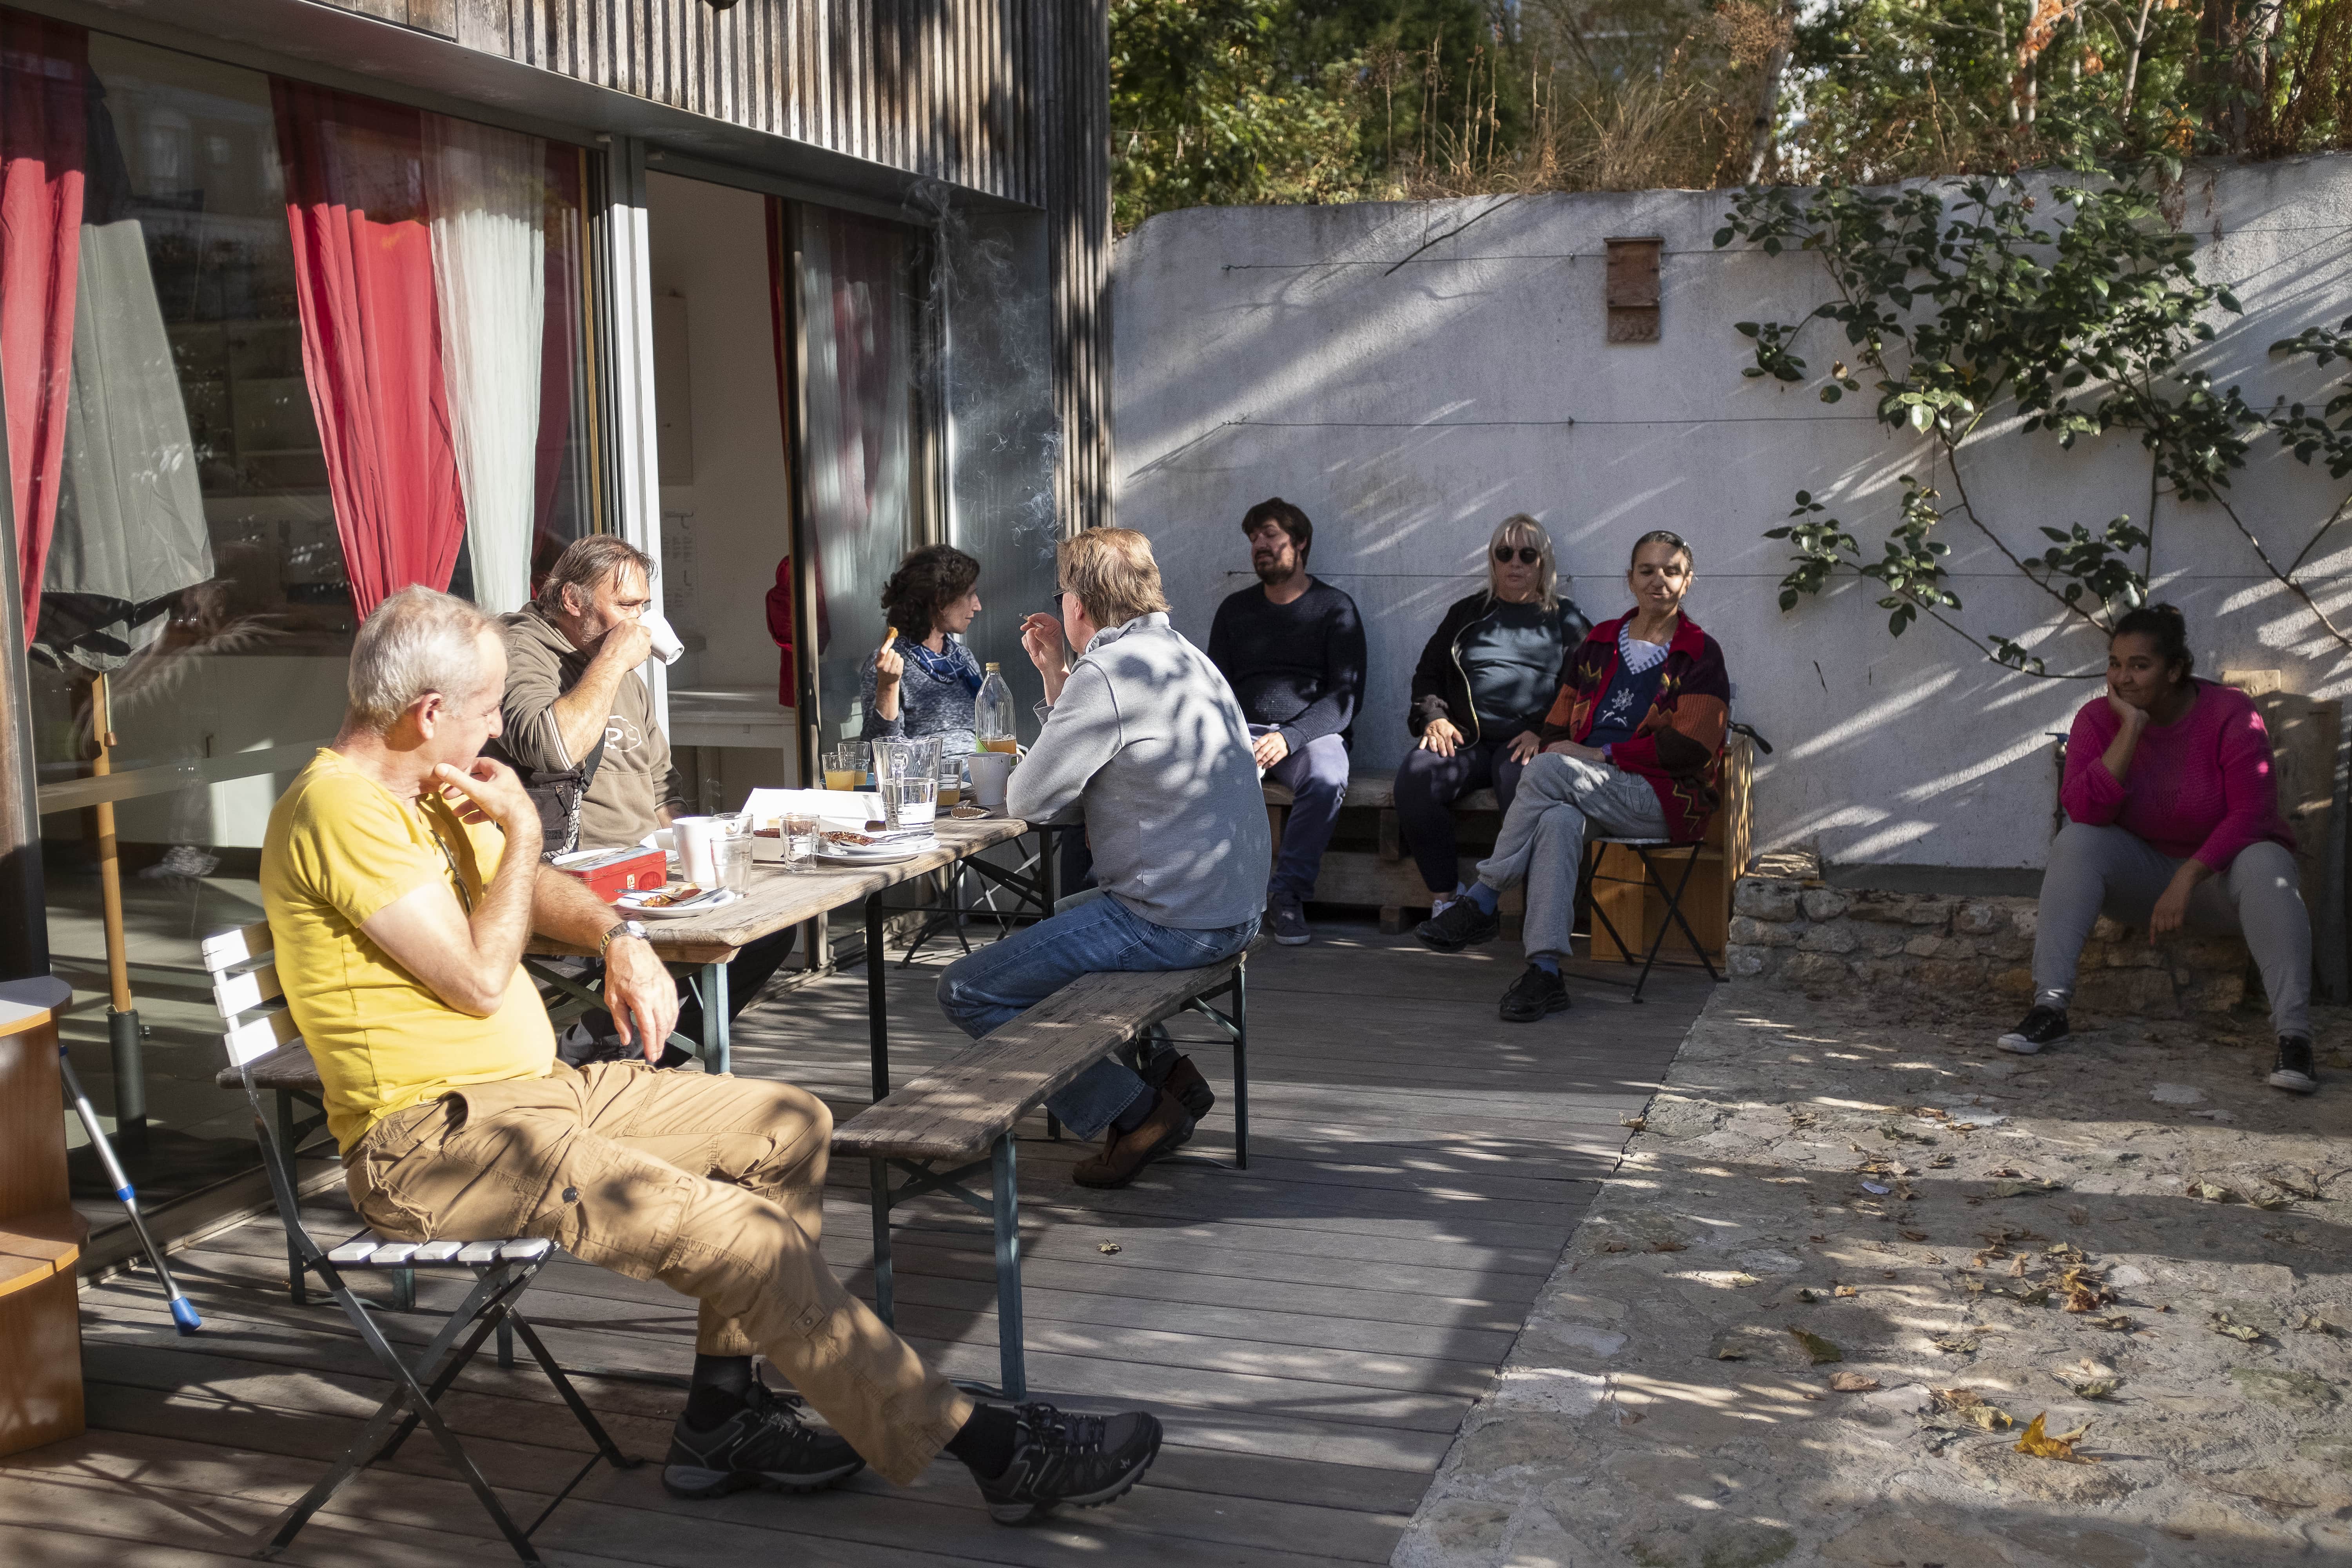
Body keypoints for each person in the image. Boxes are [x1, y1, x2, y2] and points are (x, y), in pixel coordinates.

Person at [263, 585, 1163, 1523]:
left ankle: (721, 1416)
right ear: (428, 714)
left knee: (788, 1125)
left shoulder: (431, 795)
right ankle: (987, 1445)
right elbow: (482, 979)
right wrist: (526, 829)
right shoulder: (339, 811)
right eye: (489, 709)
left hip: (539, 1098)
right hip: (438, 1144)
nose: (499, 729)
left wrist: (619, 938)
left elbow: (527, 896)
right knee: (748, 1239)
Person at [936, 529, 1270, 1189]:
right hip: (1233, 910)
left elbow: (1031, 797)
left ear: (1080, 605)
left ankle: (1137, 1112)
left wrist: (1069, 675)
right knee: (1063, 919)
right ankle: (1168, 1073)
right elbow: (1085, 774)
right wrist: (1058, 676)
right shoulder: (1184, 657)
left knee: (968, 989)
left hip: (1173, 919)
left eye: (1060, 593)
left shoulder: (1111, 672)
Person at [2001, 605, 2319, 1094]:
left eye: (2139, 665)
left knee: (2268, 861)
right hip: (2143, 878)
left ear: (2174, 670)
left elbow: (2252, 814)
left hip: (2222, 882)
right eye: (2114, 663)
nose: (2122, 678)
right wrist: (2131, 730)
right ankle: (2050, 1008)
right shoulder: (2097, 720)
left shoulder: (2231, 713)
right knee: (2078, 842)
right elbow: (2085, 813)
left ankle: (2295, 1038)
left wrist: (2188, 876)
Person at [497, 536, 789, 1064]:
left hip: (645, 876)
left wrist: (697, 860)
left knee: (768, 928)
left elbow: (660, 788)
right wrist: (610, 661)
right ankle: (591, 1065)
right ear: (572, 601)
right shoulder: (523, 649)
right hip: (569, 886)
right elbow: (551, 747)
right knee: (714, 944)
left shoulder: (620, 671)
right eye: (627, 606)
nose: (639, 623)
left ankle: (637, 1058)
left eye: (644, 608)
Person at [1416, 531, 1730, 1022]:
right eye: (1647, 570)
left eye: (1671, 571)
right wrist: (1556, 743)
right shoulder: (1600, 643)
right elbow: (1559, 724)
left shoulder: (1700, 654)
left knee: (1549, 768)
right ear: (1630, 579)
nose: (1658, 581)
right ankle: (1545, 972)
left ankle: (1483, 897)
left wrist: (1601, 753)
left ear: (1688, 582)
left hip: (1664, 799)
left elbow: (1692, 748)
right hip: (1589, 790)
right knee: (1558, 820)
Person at [1398, 515, 1590, 913]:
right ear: (1493, 561)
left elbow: (1587, 688)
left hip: (1527, 741)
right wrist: (1433, 716)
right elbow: (1429, 673)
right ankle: (1447, 900)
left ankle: (1535, 912)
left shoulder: (1566, 619)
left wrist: (1547, 733)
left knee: (1522, 784)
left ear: (1543, 562)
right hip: (1466, 737)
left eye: (1527, 554)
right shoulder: (1467, 614)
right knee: (1416, 778)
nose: (1515, 563)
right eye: (1505, 554)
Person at [1207, 497, 1366, 947]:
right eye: (1254, 538)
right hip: (1243, 733)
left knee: (1328, 773)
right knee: (1194, 773)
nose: (1260, 545)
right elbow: (1216, 689)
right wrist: (1233, 737)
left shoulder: (1336, 609)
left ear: (1301, 542)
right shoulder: (1235, 611)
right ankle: (1213, 898)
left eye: (1271, 535)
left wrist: (1291, 737)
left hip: (1310, 734)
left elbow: (1346, 698)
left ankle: (1287, 894)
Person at [861, 544, 986, 754]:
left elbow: (989, 733)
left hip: (982, 776)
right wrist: (888, 687)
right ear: (940, 600)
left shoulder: (964, 660)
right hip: (932, 782)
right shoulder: (889, 664)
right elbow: (881, 756)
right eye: (969, 595)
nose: (978, 606)